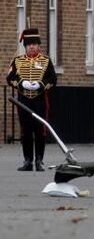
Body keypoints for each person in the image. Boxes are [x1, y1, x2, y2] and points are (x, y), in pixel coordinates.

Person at [6, 28, 57, 172]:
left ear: (39, 45)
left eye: (34, 44)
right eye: (28, 44)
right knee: (25, 130)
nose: (31, 46)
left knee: (40, 130)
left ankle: (39, 160)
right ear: (25, 46)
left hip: (40, 99)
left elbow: (53, 79)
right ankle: (27, 160)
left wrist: (40, 85)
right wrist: (21, 83)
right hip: (23, 100)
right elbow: (10, 78)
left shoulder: (46, 61)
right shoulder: (17, 61)